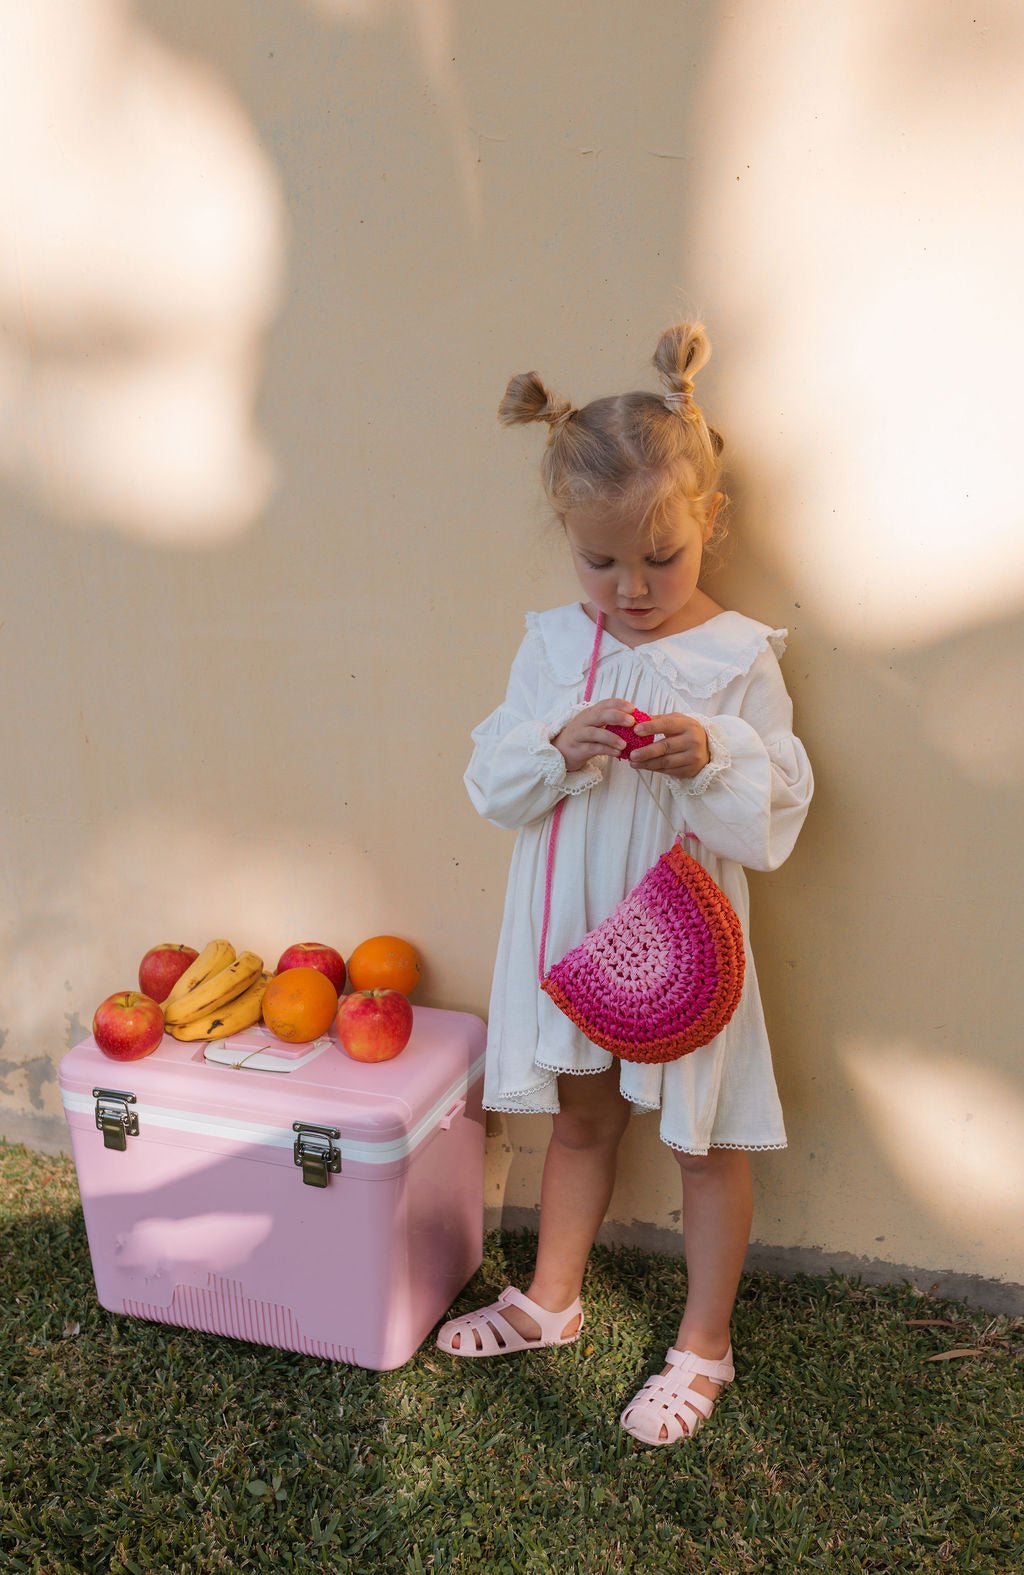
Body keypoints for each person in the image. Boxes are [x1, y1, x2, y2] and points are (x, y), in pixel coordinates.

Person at [436, 323, 813, 1446]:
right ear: (568, 540)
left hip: (685, 937)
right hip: (573, 931)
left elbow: (777, 807)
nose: (631, 587)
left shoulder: (739, 656)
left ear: (711, 521)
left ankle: (704, 1344)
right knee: (581, 1117)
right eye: (601, 561)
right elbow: (491, 784)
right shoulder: (554, 647)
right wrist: (558, 741)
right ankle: (551, 1299)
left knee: (704, 1140)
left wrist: (713, 755)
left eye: (661, 557)